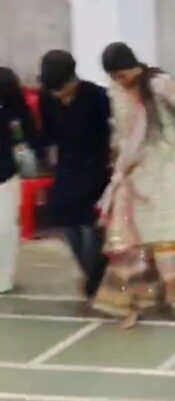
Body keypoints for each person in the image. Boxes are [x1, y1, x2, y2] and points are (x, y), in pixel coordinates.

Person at [91, 43, 175, 329]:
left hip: (167, 172)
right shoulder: (117, 92)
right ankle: (132, 304)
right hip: (133, 173)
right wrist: (118, 160)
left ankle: (171, 292)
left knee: (166, 238)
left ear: (133, 66)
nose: (119, 81)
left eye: (122, 75)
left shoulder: (161, 86)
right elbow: (121, 132)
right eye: (114, 77)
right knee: (129, 243)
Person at [37, 50, 112, 302]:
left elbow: (111, 136)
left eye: (63, 90)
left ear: (73, 78)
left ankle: (96, 282)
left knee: (90, 229)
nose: (59, 95)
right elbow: (48, 135)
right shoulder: (46, 98)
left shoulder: (97, 97)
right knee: (68, 223)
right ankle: (93, 277)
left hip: (96, 167)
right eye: (54, 91)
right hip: (67, 167)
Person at [0, 68, 39, 294]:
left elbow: (28, 137)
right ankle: (4, 277)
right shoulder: (18, 110)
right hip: (8, 174)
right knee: (6, 228)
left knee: (5, 228)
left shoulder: (16, 111)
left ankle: (5, 277)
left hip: (7, 175)